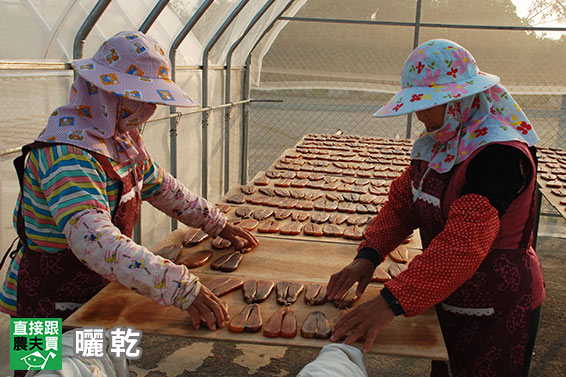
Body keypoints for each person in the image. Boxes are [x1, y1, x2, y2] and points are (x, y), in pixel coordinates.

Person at [0, 31, 258, 331]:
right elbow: (94, 241)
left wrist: (215, 222)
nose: (149, 109)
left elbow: (159, 186)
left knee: (95, 364)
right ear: (106, 94)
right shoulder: (67, 155)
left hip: (95, 289)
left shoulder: (119, 140)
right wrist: (179, 286)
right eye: (139, 99)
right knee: (41, 368)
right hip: (46, 299)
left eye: (151, 100)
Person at [326, 39, 544, 377]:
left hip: (497, 304)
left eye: (431, 103)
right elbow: (403, 204)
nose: (420, 113)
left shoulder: (499, 154)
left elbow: (463, 244)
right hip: (445, 291)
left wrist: (389, 302)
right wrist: (368, 256)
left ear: (461, 98)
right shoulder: (439, 142)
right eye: (419, 103)